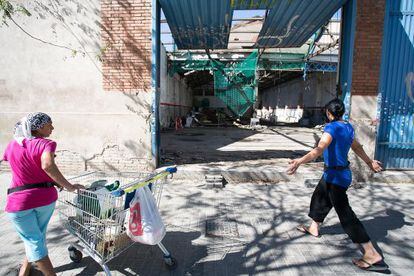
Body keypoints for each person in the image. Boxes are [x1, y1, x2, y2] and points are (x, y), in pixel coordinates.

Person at [287, 99, 388, 272]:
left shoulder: (331, 128)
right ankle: (314, 227)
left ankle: (371, 254)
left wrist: (299, 161)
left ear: (329, 113)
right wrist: (369, 162)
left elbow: (318, 149)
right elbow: (356, 147)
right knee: (320, 195)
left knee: (346, 215)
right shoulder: (348, 127)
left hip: (336, 177)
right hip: (337, 174)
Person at [1, 112, 84, 276]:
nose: (52, 128)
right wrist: (68, 186)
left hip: (19, 203)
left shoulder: (11, 145)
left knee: (33, 240)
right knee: (35, 239)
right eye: (49, 124)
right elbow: (47, 164)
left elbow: (7, 160)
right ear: (38, 127)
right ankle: (25, 272)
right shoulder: (46, 144)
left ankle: (27, 272)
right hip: (45, 201)